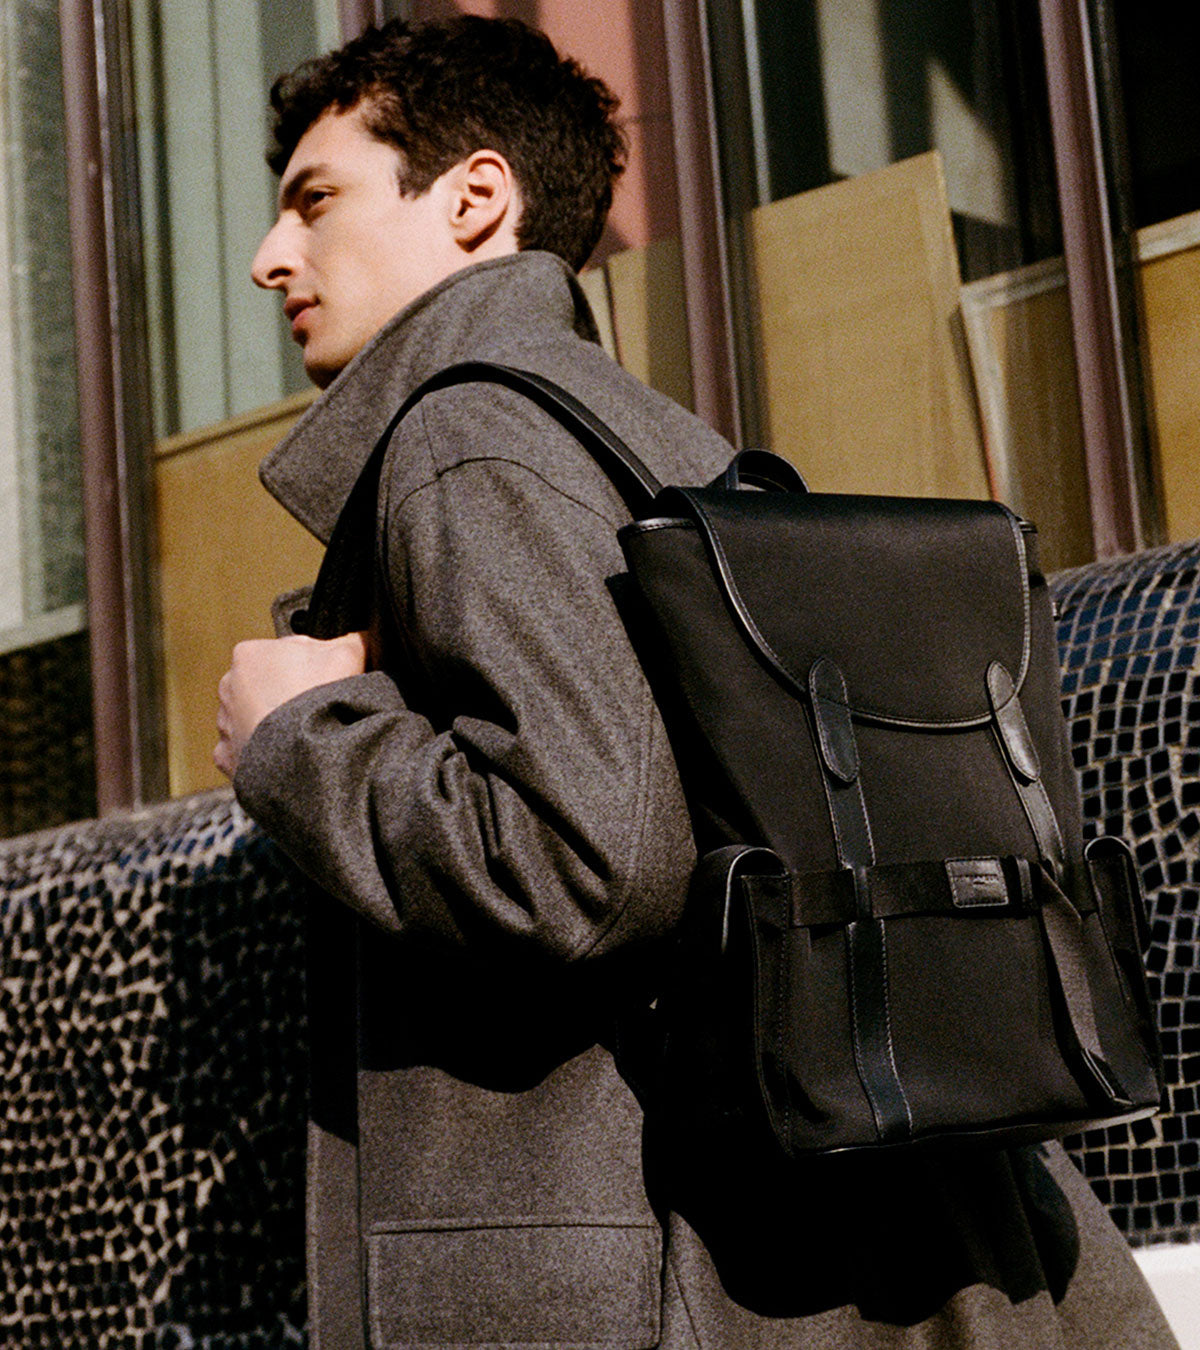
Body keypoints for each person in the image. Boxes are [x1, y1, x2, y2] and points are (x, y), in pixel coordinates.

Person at [215, 16, 1178, 1349]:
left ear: (476, 196)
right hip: (820, 1251)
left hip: (643, 1282)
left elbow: (588, 856)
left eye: (315, 200)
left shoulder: (467, 433)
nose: (270, 257)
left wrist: (298, 733)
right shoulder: (661, 441)